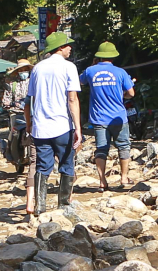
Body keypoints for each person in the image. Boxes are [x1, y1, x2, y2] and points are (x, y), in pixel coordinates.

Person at [24, 32, 83, 213]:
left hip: (41, 127)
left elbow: (30, 100)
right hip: (62, 126)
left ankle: (40, 206)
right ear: (60, 47)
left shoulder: (38, 68)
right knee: (66, 164)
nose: (70, 48)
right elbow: (72, 99)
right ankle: (63, 205)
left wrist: (29, 125)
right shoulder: (69, 67)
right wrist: (78, 128)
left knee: (42, 166)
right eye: (67, 45)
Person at [81, 41, 135, 190]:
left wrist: (92, 65)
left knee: (101, 149)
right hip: (118, 117)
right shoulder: (121, 72)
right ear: (113, 57)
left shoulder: (90, 71)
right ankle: (124, 177)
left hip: (99, 118)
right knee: (123, 146)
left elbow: (80, 83)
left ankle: (102, 181)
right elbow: (131, 93)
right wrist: (122, 94)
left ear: (98, 57)